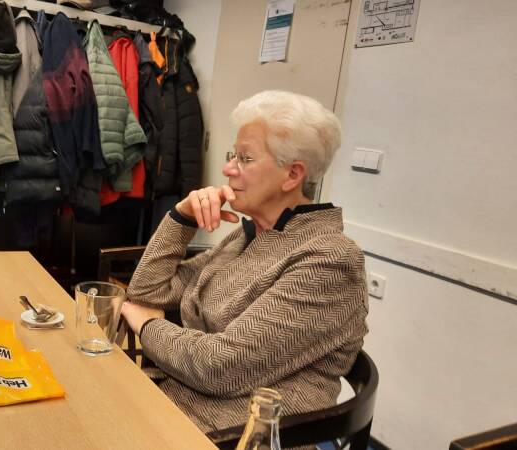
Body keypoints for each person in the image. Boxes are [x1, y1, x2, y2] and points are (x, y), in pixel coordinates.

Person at [120, 90, 369, 434]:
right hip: (175, 401)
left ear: (292, 175)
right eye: (232, 156)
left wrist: (148, 326)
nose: (227, 169)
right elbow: (147, 292)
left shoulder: (330, 261)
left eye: (245, 159)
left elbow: (219, 368)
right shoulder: (250, 235)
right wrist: (181, 217)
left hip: (230, 432)